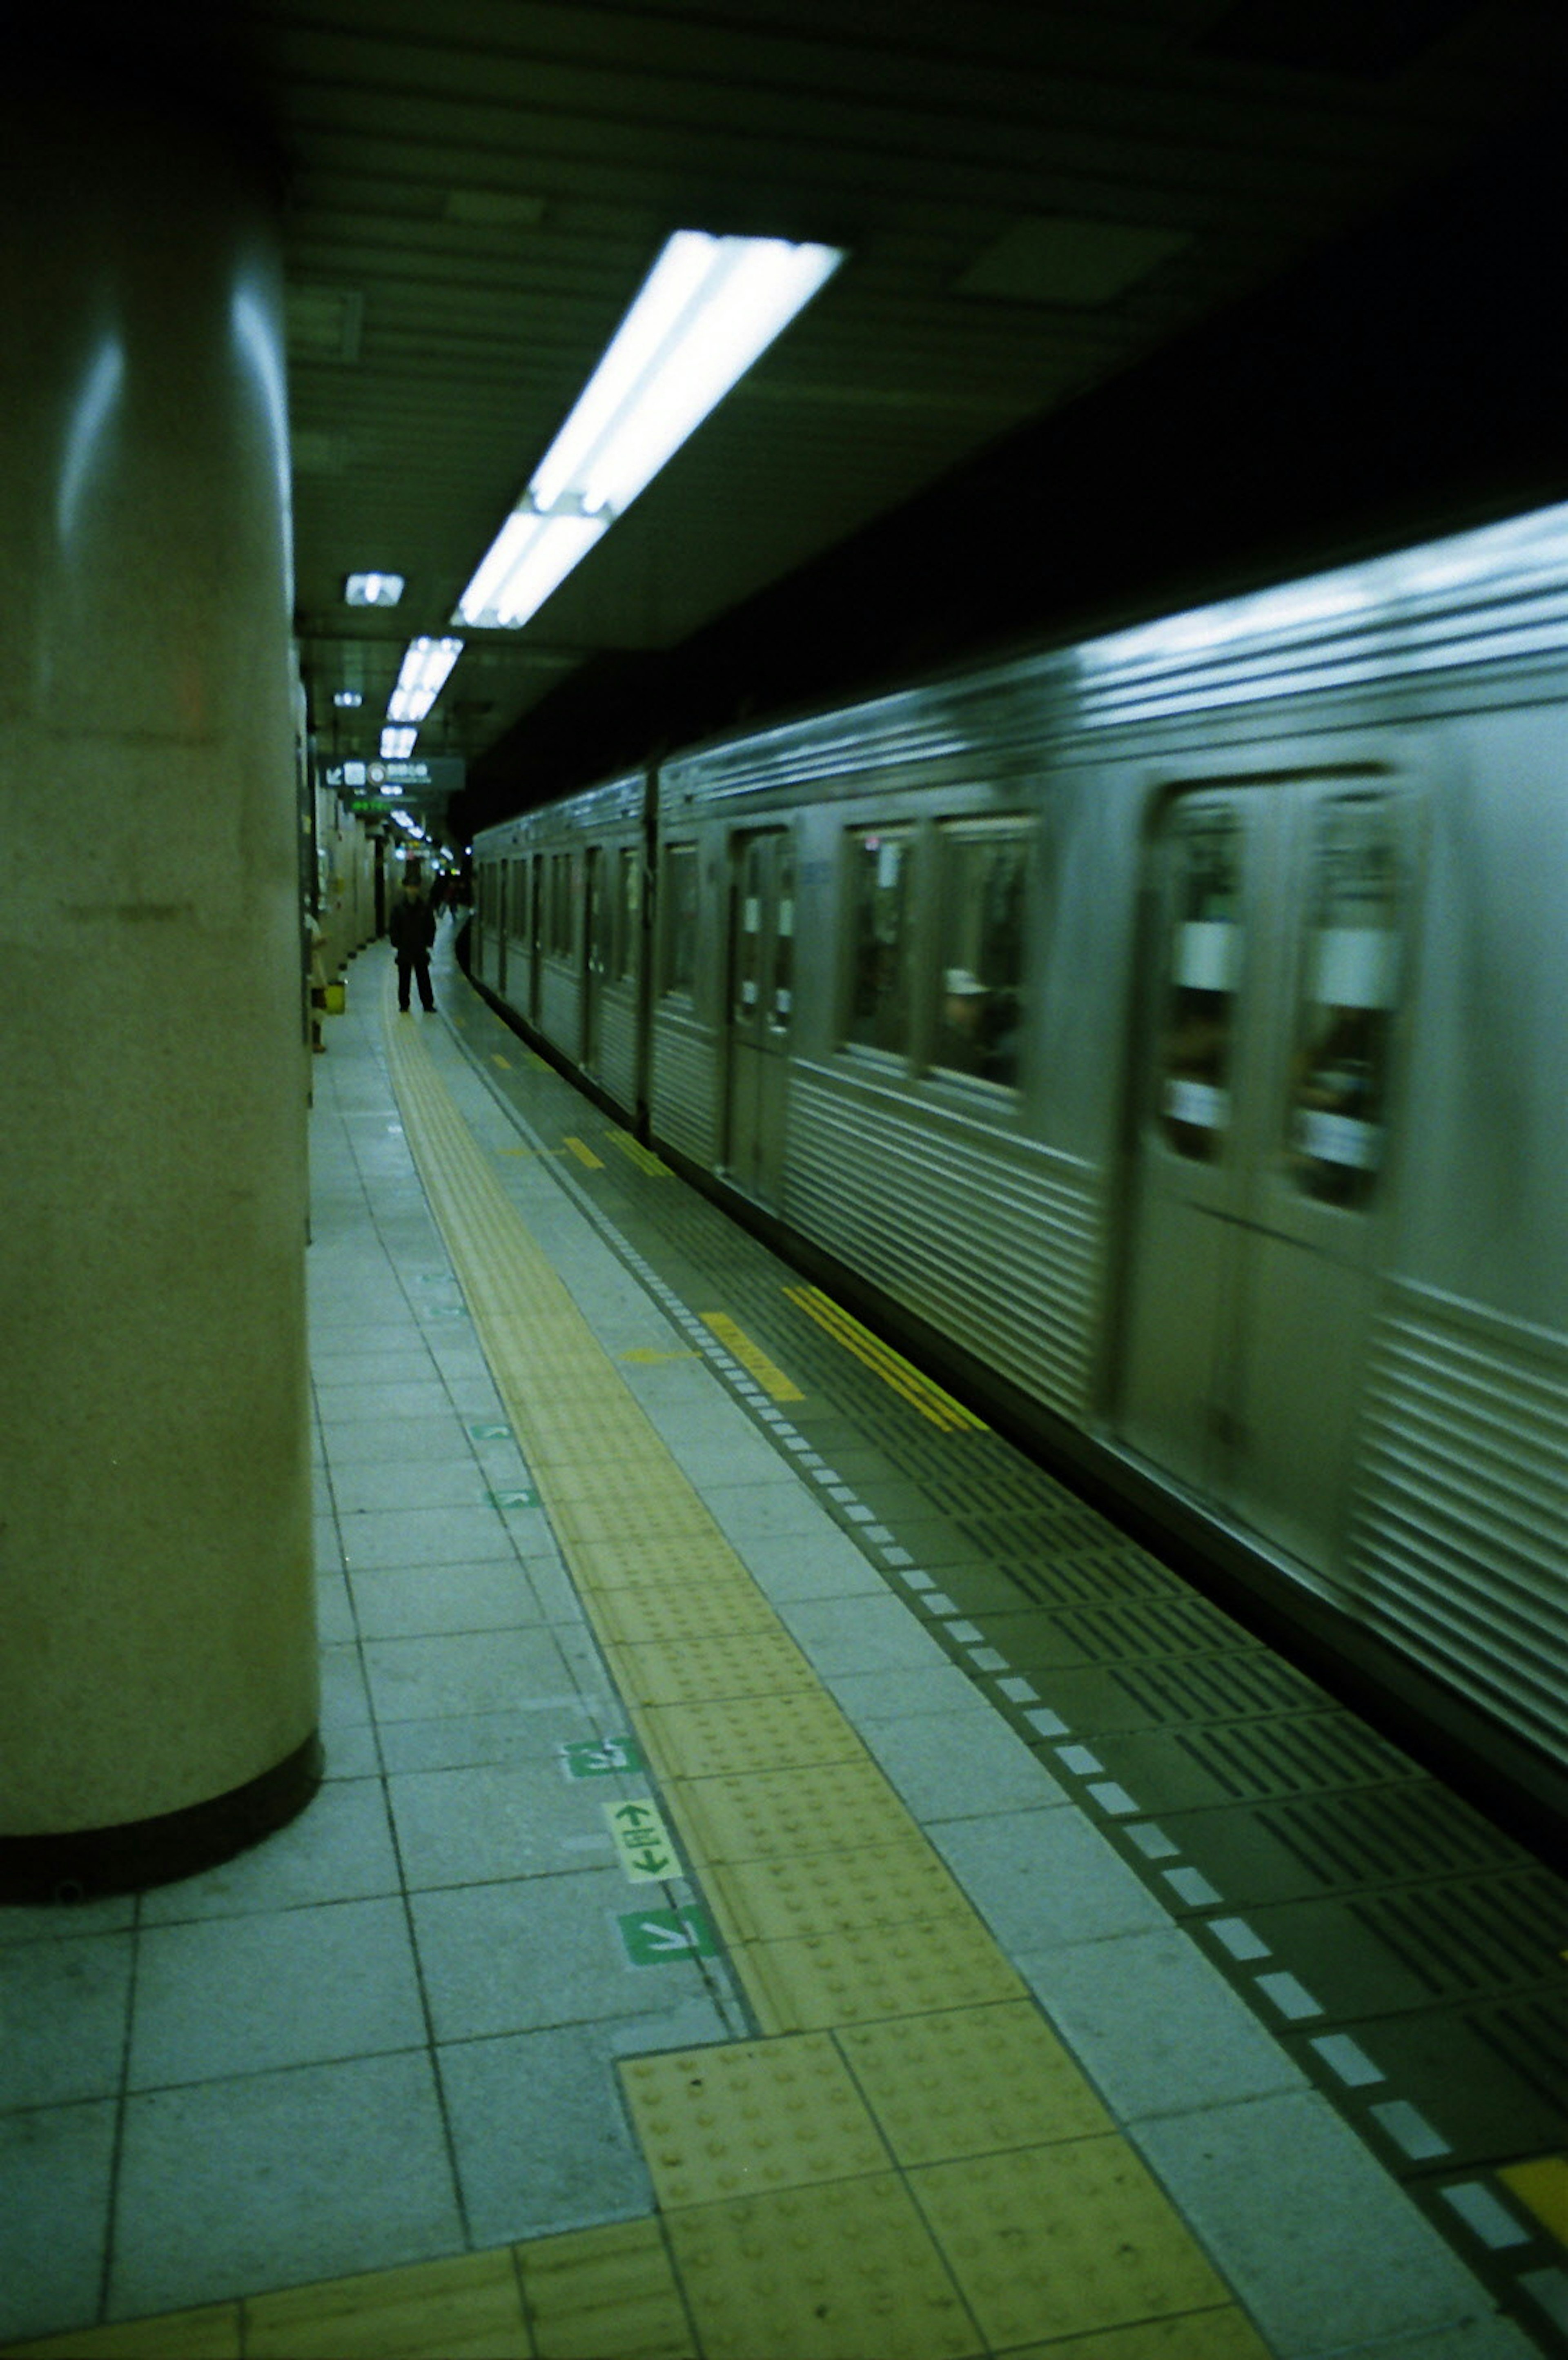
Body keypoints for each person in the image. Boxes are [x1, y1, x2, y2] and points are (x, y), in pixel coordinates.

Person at [389, 877, 437, 1012]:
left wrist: (429, 942)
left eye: (415, 887)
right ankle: (404, 1004)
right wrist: (396, 942)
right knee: (404, 978)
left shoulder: (425, 907)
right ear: (406, 888)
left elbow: (431, 926)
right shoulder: (398, 908)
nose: (412, 890)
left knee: (423, 977)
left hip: (420, 947)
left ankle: (428, 1004)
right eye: (410, 887)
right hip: (405, 947)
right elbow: (394, 927)